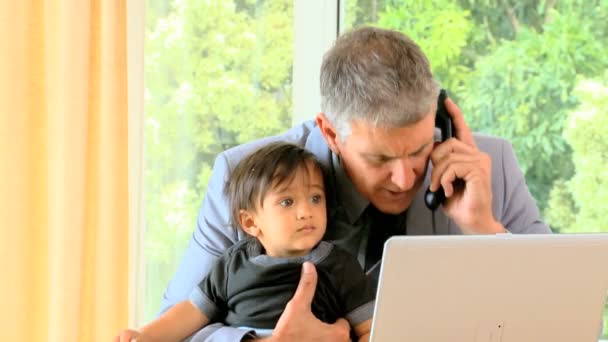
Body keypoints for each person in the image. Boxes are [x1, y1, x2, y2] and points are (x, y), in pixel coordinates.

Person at [159, 26, 552, 341]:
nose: (404, 179)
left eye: (418, 149)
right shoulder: (247, 176)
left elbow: (559, 321)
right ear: (330, 132)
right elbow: (173, 327)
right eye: (380, 158)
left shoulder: (490, 166)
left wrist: (482, 228)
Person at [117, 142, 374, 342]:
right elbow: (193, 311)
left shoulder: (338, 265)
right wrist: (145, 335)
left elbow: (370, 328)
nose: (306, 211)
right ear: (250, 223)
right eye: (287, 202)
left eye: (315, 198)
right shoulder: (234, 263)